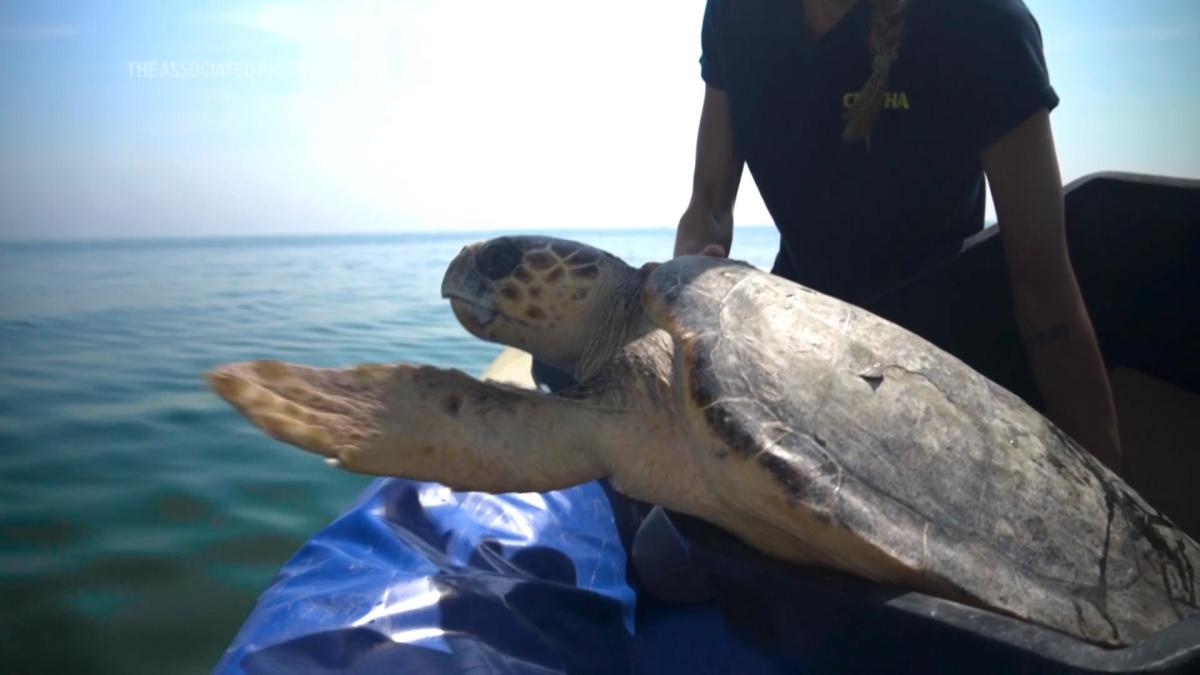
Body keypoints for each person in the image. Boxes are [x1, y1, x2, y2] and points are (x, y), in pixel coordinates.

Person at [675, 0, 1123, 470]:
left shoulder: (983, 23)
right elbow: (707, 202)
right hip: (797, 357)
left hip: (939, 381)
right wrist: (691, 274)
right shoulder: (736, 14)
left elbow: (1043, 284)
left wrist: (1112, 484)